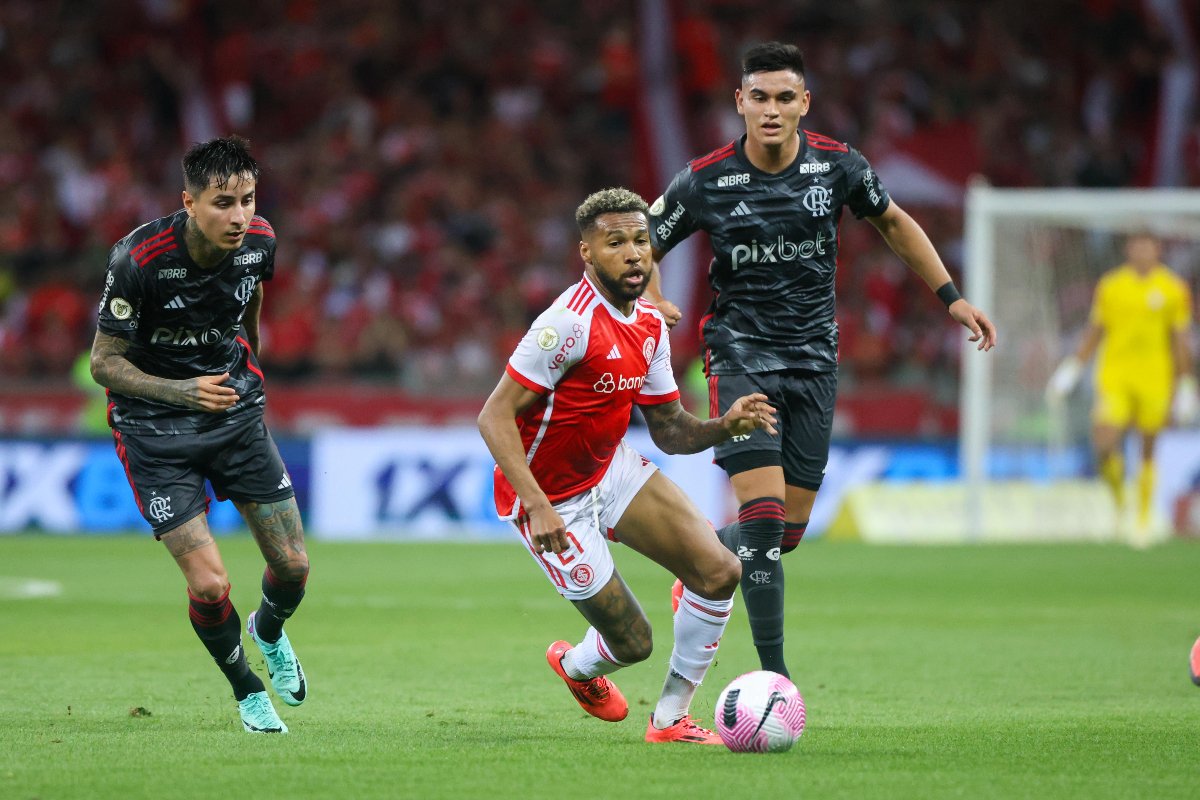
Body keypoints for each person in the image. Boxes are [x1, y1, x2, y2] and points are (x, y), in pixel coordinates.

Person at [645, 42, 997, 679]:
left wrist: (952, 297)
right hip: (740, 355)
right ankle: (775, 683)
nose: (771, 110)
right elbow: (642, 243)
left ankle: (706, 561)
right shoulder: (705, 179)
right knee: (762, 517)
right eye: (759, 97)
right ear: (740, 103)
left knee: (787, 532)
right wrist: (654, 300)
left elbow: (894, 222)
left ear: (804, 103)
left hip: (813, 361)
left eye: (785, 98)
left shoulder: (838, 167)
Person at [477, 187, 778, 744]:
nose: (634, 253)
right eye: (615, 243)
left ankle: (670, 720)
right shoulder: (566, 325)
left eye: (641, 240)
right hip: (550, 498)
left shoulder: (649, 325)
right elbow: (493, 417)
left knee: (719, 571)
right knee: (633, 644)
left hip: (609, 468)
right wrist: (538, 506)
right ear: (587, 253)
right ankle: (575, 666)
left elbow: (670, 430)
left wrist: (724, 426)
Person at [90, 136, 308, 734]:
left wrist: (252, 359)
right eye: (223, 203)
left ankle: (268, 630)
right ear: (189, 202)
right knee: (211, 586)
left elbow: (251, 295)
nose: (239, 216)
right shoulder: (138, 261)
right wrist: (183, 391)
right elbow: (103, 364)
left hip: (233, 415)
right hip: (153, 429)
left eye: (248, 200)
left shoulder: (259, 241)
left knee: (293, 566)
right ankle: (246, 689)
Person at [1047, 231, 1196, 542]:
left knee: (1148, 448)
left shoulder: (1173, 288)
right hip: (1115, 376)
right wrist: (1072, 369)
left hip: (1156, 378)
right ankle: (1119, 503)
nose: (1142, 252)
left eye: (1148, 247)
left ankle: (1142, 519)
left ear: (1157, 250)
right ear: (1129, 250)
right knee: (1104, 441)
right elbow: (1095, 329)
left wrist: (1186, 385)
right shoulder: (1111, 286)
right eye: (1137, 246)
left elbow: (1180, 339)